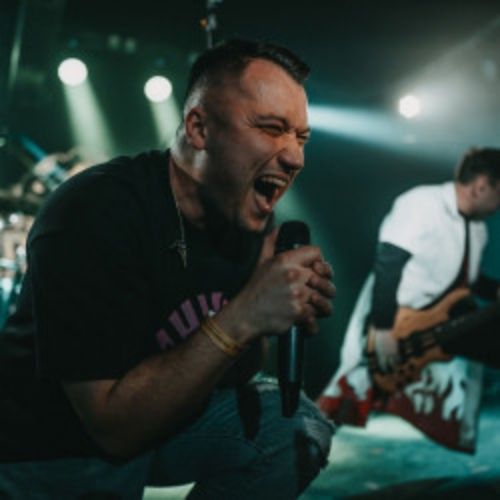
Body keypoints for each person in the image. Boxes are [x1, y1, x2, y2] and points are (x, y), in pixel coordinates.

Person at [0, 39, 336, 499]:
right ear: (199, 128)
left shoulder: (244, 217)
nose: (295, 156)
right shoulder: (96, 210)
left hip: (158, 416)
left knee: (294, 429)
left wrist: (269, 314)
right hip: (55, 447)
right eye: (272, 128)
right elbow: (112, 431)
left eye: (301, 137)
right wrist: (244, 314)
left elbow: (235, 372)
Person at [317, 148, 500, 453]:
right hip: (394, 324)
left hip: (436, 329)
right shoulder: (421, 203)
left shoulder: (478, 229)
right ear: (481, 186)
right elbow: (389, 262)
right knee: (348, 396)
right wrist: (384, 328)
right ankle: (294, 454)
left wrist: (494, 290)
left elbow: (467, 280)